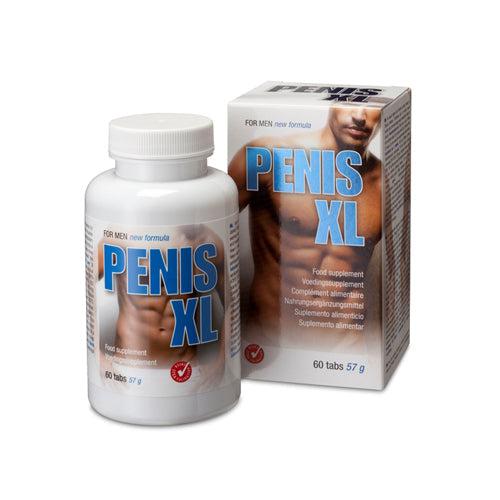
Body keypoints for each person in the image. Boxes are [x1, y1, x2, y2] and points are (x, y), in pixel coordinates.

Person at [229, 106, 382, 350]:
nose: (359, 116)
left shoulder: (386, 183)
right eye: (348, 102)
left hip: (346, 349)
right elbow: (201, 236)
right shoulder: (267, 156)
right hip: (269, 346)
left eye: (371, 107)